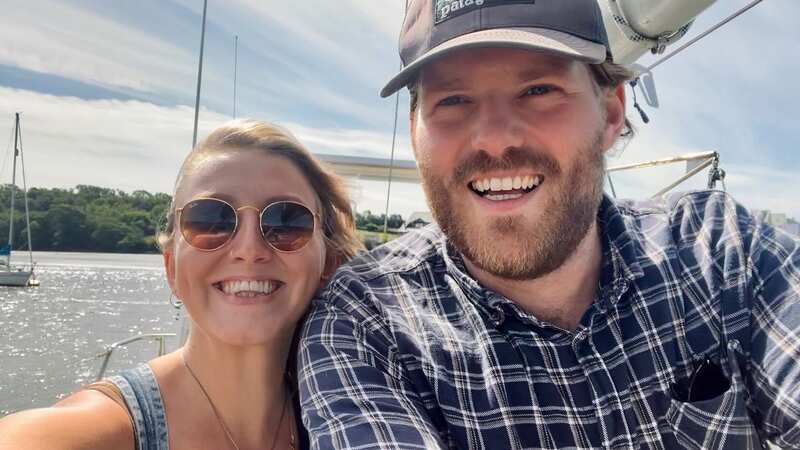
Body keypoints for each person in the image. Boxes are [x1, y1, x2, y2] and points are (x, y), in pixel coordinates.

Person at [298, 1, 800, 448]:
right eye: (452, 100)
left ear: (609, 112)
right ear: (414, 133)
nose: (493, 140)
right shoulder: (368, 324)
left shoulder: (720, 249)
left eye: (538, 89)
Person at [0, 120, 361, 450]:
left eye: (287, 221)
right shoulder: (101, 431)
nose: (249, 249)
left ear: (328, 263)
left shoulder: (363, 417)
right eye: (209, 219)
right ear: (172, 268)